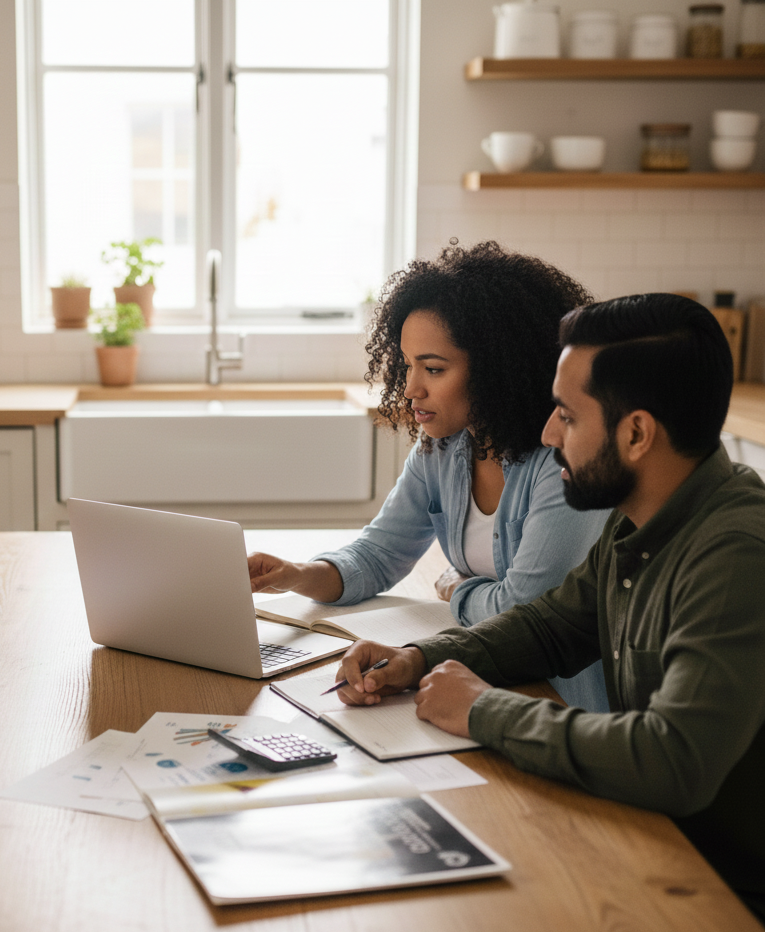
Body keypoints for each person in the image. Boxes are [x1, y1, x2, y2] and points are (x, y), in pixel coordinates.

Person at [337, 292, 765, 921]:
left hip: (724, 895)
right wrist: (417, 657)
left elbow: (674, 759)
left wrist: (485, 710)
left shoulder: (736, 556)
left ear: (637, 433)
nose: (546, 433)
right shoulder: (638, 520)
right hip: (651, 838)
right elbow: (551, 626)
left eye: (566, 415)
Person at [248, 240, 610, 710]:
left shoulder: (561, 463)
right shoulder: (442, 448)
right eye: (407, 365)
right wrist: (296, 574)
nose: (412, 388)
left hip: (556, 703)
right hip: (480, 679)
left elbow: (524, 613)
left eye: (434, 368)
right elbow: (379, 554)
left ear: (499, 368)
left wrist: (460, 590)